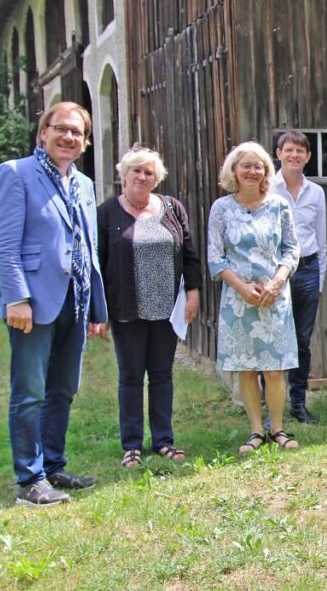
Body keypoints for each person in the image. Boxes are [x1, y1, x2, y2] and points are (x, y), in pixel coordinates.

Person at [0, 101, 108, 506]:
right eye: (62, 129)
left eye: (77, 132)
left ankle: (53, 466)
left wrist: (96, 309)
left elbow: (87, 248)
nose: (69, 137)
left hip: (75, 298)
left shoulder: (84, 184)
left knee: (63, 389)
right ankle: (29, 479)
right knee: (30, 391)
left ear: (85, 141)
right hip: (33, 302)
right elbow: (2, 245)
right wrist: (17, 298)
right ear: (44, 132)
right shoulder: (16, 173)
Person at [97, 146, 201, 469]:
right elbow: (98, 263)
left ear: (157, 178)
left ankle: (163, 441)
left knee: (161, 375)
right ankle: (131, 445)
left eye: (149, 172)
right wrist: (98, 311)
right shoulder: (107, 213)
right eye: (136, 171)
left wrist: (194, 291)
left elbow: (190, 254)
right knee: (130, 376)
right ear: (124, 175)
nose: (142, 176)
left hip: (166, 309)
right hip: (126, 309)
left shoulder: (172, 208)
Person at [207, 142, 300, 452]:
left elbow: (291, 250)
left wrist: (276, 282)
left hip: (274, 297)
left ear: (266, 171)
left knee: (274, 369)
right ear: (233, 170)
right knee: (246, 368)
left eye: (257, 165)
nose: (251, 170)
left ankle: (278, 428)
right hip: (238, 299)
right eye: (245, 165)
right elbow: (215, 257)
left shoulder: (279, 206)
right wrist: (242, 288)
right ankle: (256, 431)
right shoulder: (221, 208)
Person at [270, 130, 327, 424]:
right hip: (274, 273)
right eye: (288, 150)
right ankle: (271, 408)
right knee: (273, 339)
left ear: (308, 157)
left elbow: (321, 239)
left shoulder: (315, 192)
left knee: (301, 341)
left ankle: (298, 403)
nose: (294, 155)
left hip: (307, 270)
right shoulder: (267, 188)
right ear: (278, 154)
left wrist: (319, 279)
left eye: (300, 151)